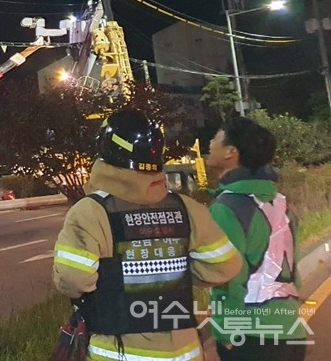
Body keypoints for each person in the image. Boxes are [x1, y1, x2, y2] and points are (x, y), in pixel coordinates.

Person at [53, 108, 242, 361]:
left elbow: (73, 280)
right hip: (186, 352)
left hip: (119, 352)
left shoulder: (90, 212)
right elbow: (226, 266)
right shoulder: (187, 208)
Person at [206, 117, 307, 360]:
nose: (210, 143)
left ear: (231, 152)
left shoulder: (227, 208)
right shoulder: (280, 203)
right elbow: (293, 270)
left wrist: (225, 329)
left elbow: (228, 277)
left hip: (251, 335)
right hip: (292, 329)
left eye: (216, 137)